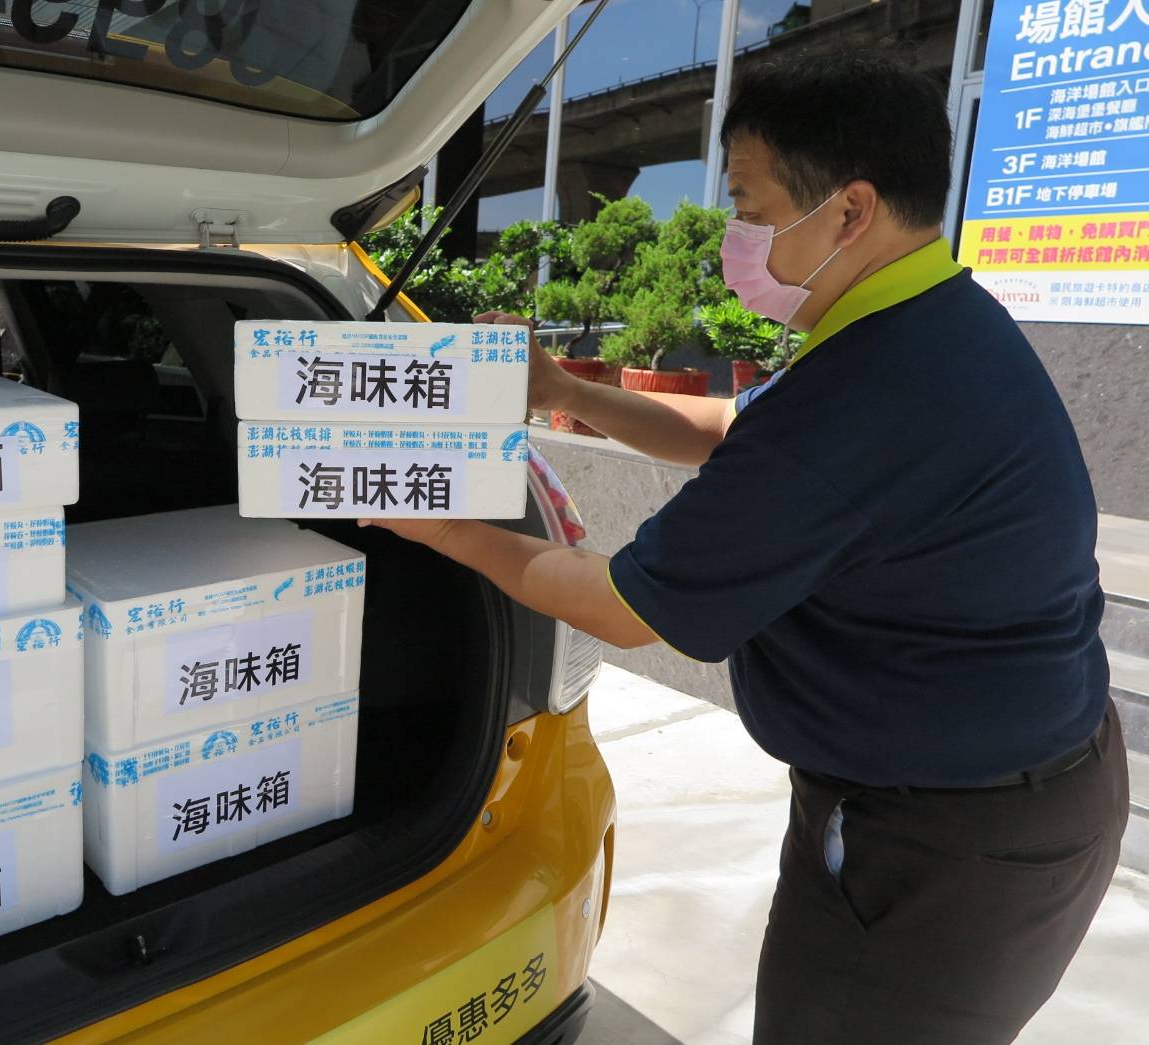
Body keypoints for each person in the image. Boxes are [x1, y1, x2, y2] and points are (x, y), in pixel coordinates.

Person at [364, 53, 1128, 1045]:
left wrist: (440, 525)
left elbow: (621, 609)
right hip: (1008, 786)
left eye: (745, 205)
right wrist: (565, 393)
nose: (734, 235)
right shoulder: (921, 322)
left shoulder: (864, 394)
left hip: (944, 841)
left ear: (849, 211)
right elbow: (731, 428)